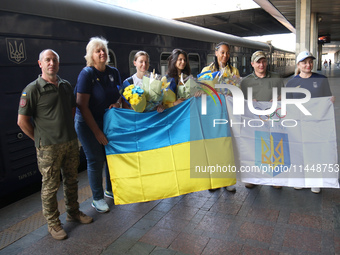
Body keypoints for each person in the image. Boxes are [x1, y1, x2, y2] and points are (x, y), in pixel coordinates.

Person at [17, 49, 93, 240]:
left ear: (58, 64)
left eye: (54, 60)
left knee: (71, 180)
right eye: (47, 60)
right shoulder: (32, 89)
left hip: (69, 142)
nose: (51, 63)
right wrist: (39, 140)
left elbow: (72, 110)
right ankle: (53, 223)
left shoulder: (66, 86)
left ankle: (73, 213)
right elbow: (22, 121)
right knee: (50, 187)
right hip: (48, 148)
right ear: (40, 64)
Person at [74, 37, 122, 213]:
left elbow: (119, 95)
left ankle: (110, 190)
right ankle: (97, 198)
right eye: (97, 50)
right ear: (91, 55)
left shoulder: (113, 71)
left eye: (104, 49)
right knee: (95, 159)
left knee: (109, 156)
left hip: (107, 121)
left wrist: (117, 103)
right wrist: (96, 132)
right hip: (87, 123)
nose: (102, 53)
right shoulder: (87, 74)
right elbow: (81, 105)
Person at [286, 50, 335, 194]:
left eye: (310, 62)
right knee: (299, 150)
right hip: (299, 124)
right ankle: (300, 179)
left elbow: (327, 97)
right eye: (304, 62)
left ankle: (315, 181)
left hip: (316, 123)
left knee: (315, 151)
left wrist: (331, 100)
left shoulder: (321, 79)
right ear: (299, 65)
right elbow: (288, 103)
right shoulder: (292, 82)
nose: (308, 65)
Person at [240, 50, 284, 189]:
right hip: (254, 121)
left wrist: (277, 99)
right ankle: (253, 177)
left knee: (274, 145)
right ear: (252, 64)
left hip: (273, 119)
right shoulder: (245, 82)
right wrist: (249, 101)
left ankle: (275, 178)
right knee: (254, 147)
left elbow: (284, 96)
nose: (261, 64)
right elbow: (240, 101)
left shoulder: (277, 78)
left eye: (264, 61)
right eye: (258, 62)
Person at [201, 42, 239, 192]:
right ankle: (215, 180)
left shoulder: (233, 71)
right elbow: (202, 90)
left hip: (228, 111)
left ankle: (227, 180)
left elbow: (237, 90)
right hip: (212, 112)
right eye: (222, 52)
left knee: (227, 145)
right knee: (214, 145)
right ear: (216, 53)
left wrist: (231, 91)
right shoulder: (206, 70)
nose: (225, 56)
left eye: (227, 53)